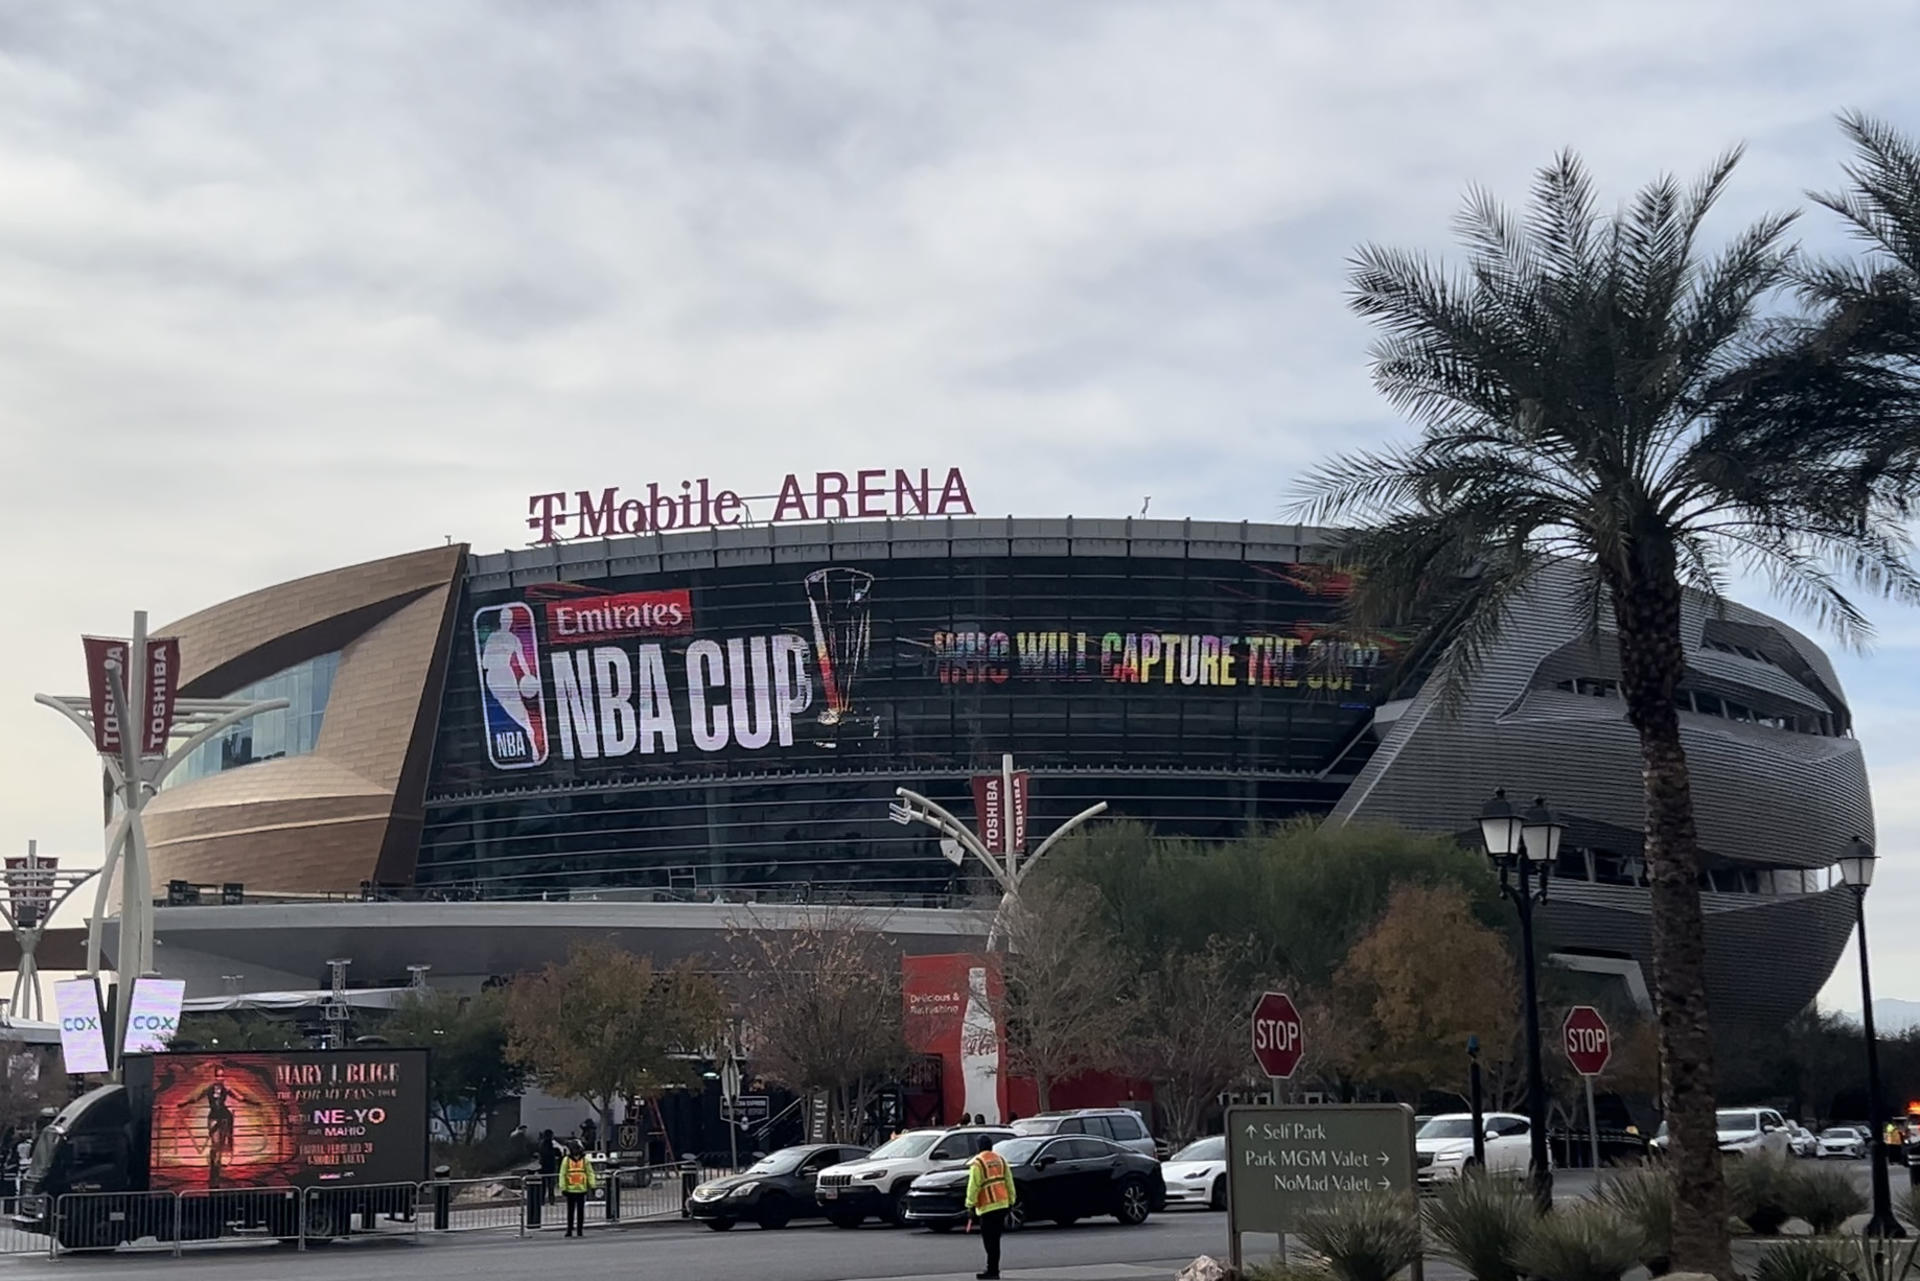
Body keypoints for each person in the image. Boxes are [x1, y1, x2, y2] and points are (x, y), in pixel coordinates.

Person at [964, 1133, 1015, 1281]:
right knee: (996, 1240)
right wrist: (1011, 1200)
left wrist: (970, 1205)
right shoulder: (1001, 1160)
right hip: (1002, 1205)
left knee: (989, 1241)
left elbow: (973, 1186)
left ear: (978, 1147)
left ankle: (991, 1271)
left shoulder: (978, 1163)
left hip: (987, 1207)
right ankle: (994, 1269)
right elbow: (1009, 1182)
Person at [558, 1138, 597, 1238]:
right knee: (570, 1212)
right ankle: (569, 1229)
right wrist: (563, 1187)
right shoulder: (566, 1160)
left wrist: (592, 1185)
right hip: (570, 1190)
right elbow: (562, 1174)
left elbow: (590, 1173)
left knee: (580, 1212)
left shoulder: (585, 1160)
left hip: (581, 1189)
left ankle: (579, 1230)